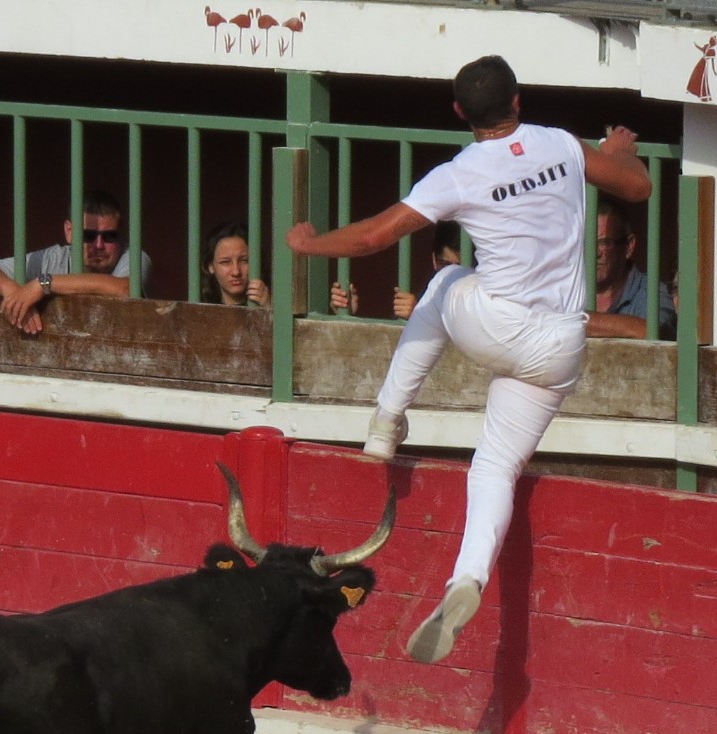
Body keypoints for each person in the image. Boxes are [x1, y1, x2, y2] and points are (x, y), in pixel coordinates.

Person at [286, 54, 651, 665]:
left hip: (497, 325)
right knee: (495, 468)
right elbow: (637, 186)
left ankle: (386, 421)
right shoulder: (562, 144)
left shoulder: (459, 172)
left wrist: (309, 244)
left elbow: (374, 236)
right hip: (562, 344)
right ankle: (467, 577)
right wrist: (617, 151)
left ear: (459, 112)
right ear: (518, 100)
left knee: (447, 278)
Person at [0, 189, 152, 335]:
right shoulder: (54, 258)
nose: (99, 245)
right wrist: (10, 289)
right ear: (69, 232)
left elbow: (125, 289)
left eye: (109, 236)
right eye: (88, 235)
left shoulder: (133, 256)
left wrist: (43, 283)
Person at [330, 221, 463, 318]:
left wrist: (419, 317)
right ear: (434, 260)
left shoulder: (476, 298)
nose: (452, 272)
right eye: (445, 264)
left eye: (461, 266)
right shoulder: (428, 297)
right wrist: (348, 314)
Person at [587, 200, 675, 340]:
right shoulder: (568, 290)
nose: (594, 252)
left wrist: (580, 322)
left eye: (604, 242)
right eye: (586, 243)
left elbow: (653, 332)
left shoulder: (652, 293)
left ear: (628, 247)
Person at [200, 220, 269, 306]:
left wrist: (268, 308)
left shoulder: (277, 303)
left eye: (244, 260)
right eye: (225, 262)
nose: (236, 272)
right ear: (211, 266)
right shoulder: (199, 310)